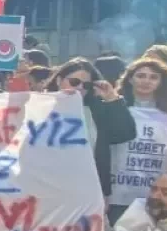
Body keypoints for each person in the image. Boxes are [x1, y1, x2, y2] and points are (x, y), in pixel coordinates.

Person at [44, 58, 137, 204]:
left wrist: (112, 98)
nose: (80, 87)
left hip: (87, 191)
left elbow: (125, 133)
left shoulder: (97, 111)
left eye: (86, 84)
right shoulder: (39, 107)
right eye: (74, 82)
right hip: (46, 188)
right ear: (59, 80)